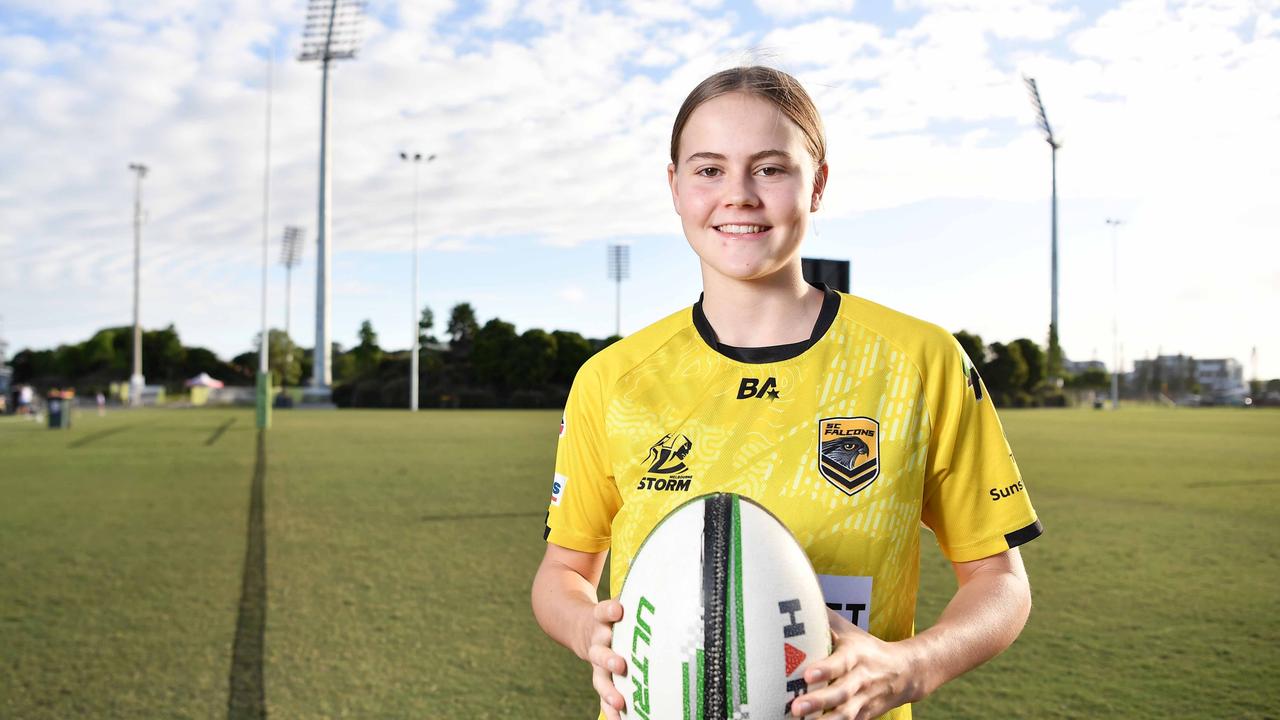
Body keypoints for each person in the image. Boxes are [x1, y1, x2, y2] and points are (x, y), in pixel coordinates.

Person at [531, 65, 1041, 720]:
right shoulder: (613, 379)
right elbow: (562, 574)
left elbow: (1000, 583)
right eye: (709, 169)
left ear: (817, 183)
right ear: (675, 187)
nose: (738, 195)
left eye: (770, 168)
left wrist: (913, 665)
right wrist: (586, 629)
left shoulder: (919, 361)